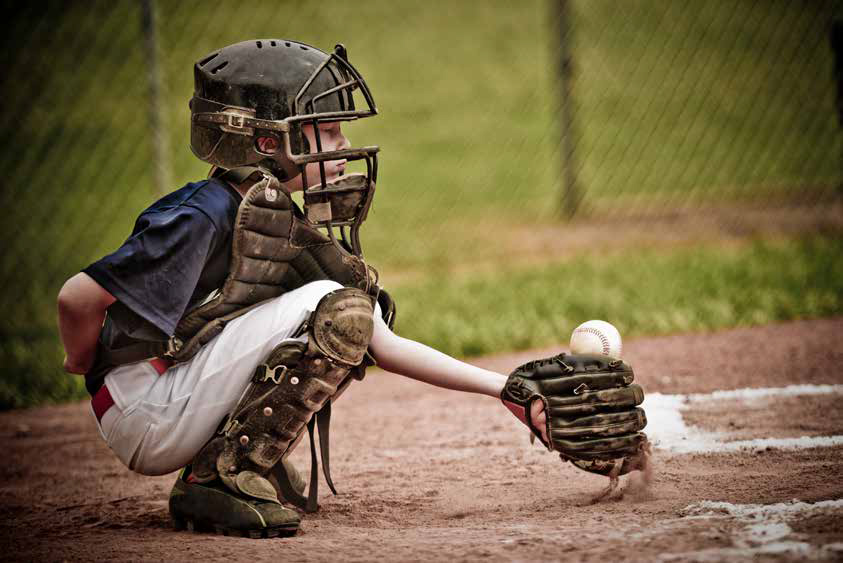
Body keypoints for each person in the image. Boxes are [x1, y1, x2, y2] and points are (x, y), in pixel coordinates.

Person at [58, 39, 647, 539]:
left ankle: (227, 461)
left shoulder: (273, 220)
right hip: (144, 411)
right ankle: (217, 476)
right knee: (334, 309)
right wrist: (81, 361)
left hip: (171, 401)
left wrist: (511, 392)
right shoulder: (203, 213)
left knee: (346, 309)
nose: (342, 148)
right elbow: (77, 298)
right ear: (268, 143)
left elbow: (380, 342)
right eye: (326, 131)